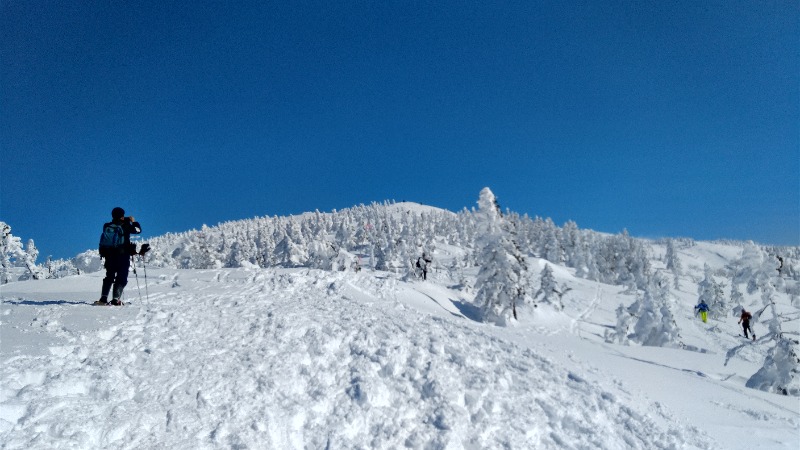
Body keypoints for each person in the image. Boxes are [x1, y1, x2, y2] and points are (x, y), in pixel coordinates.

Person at [95, 207, 141, 306]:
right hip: (122, 255)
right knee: (121, 277)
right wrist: (133, 221)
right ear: (122, 216)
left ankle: (103, 299)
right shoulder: (126, 226)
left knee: (109, 277)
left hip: (109, 255)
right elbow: (138, 230)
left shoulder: (107, 225)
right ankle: (116, 300)